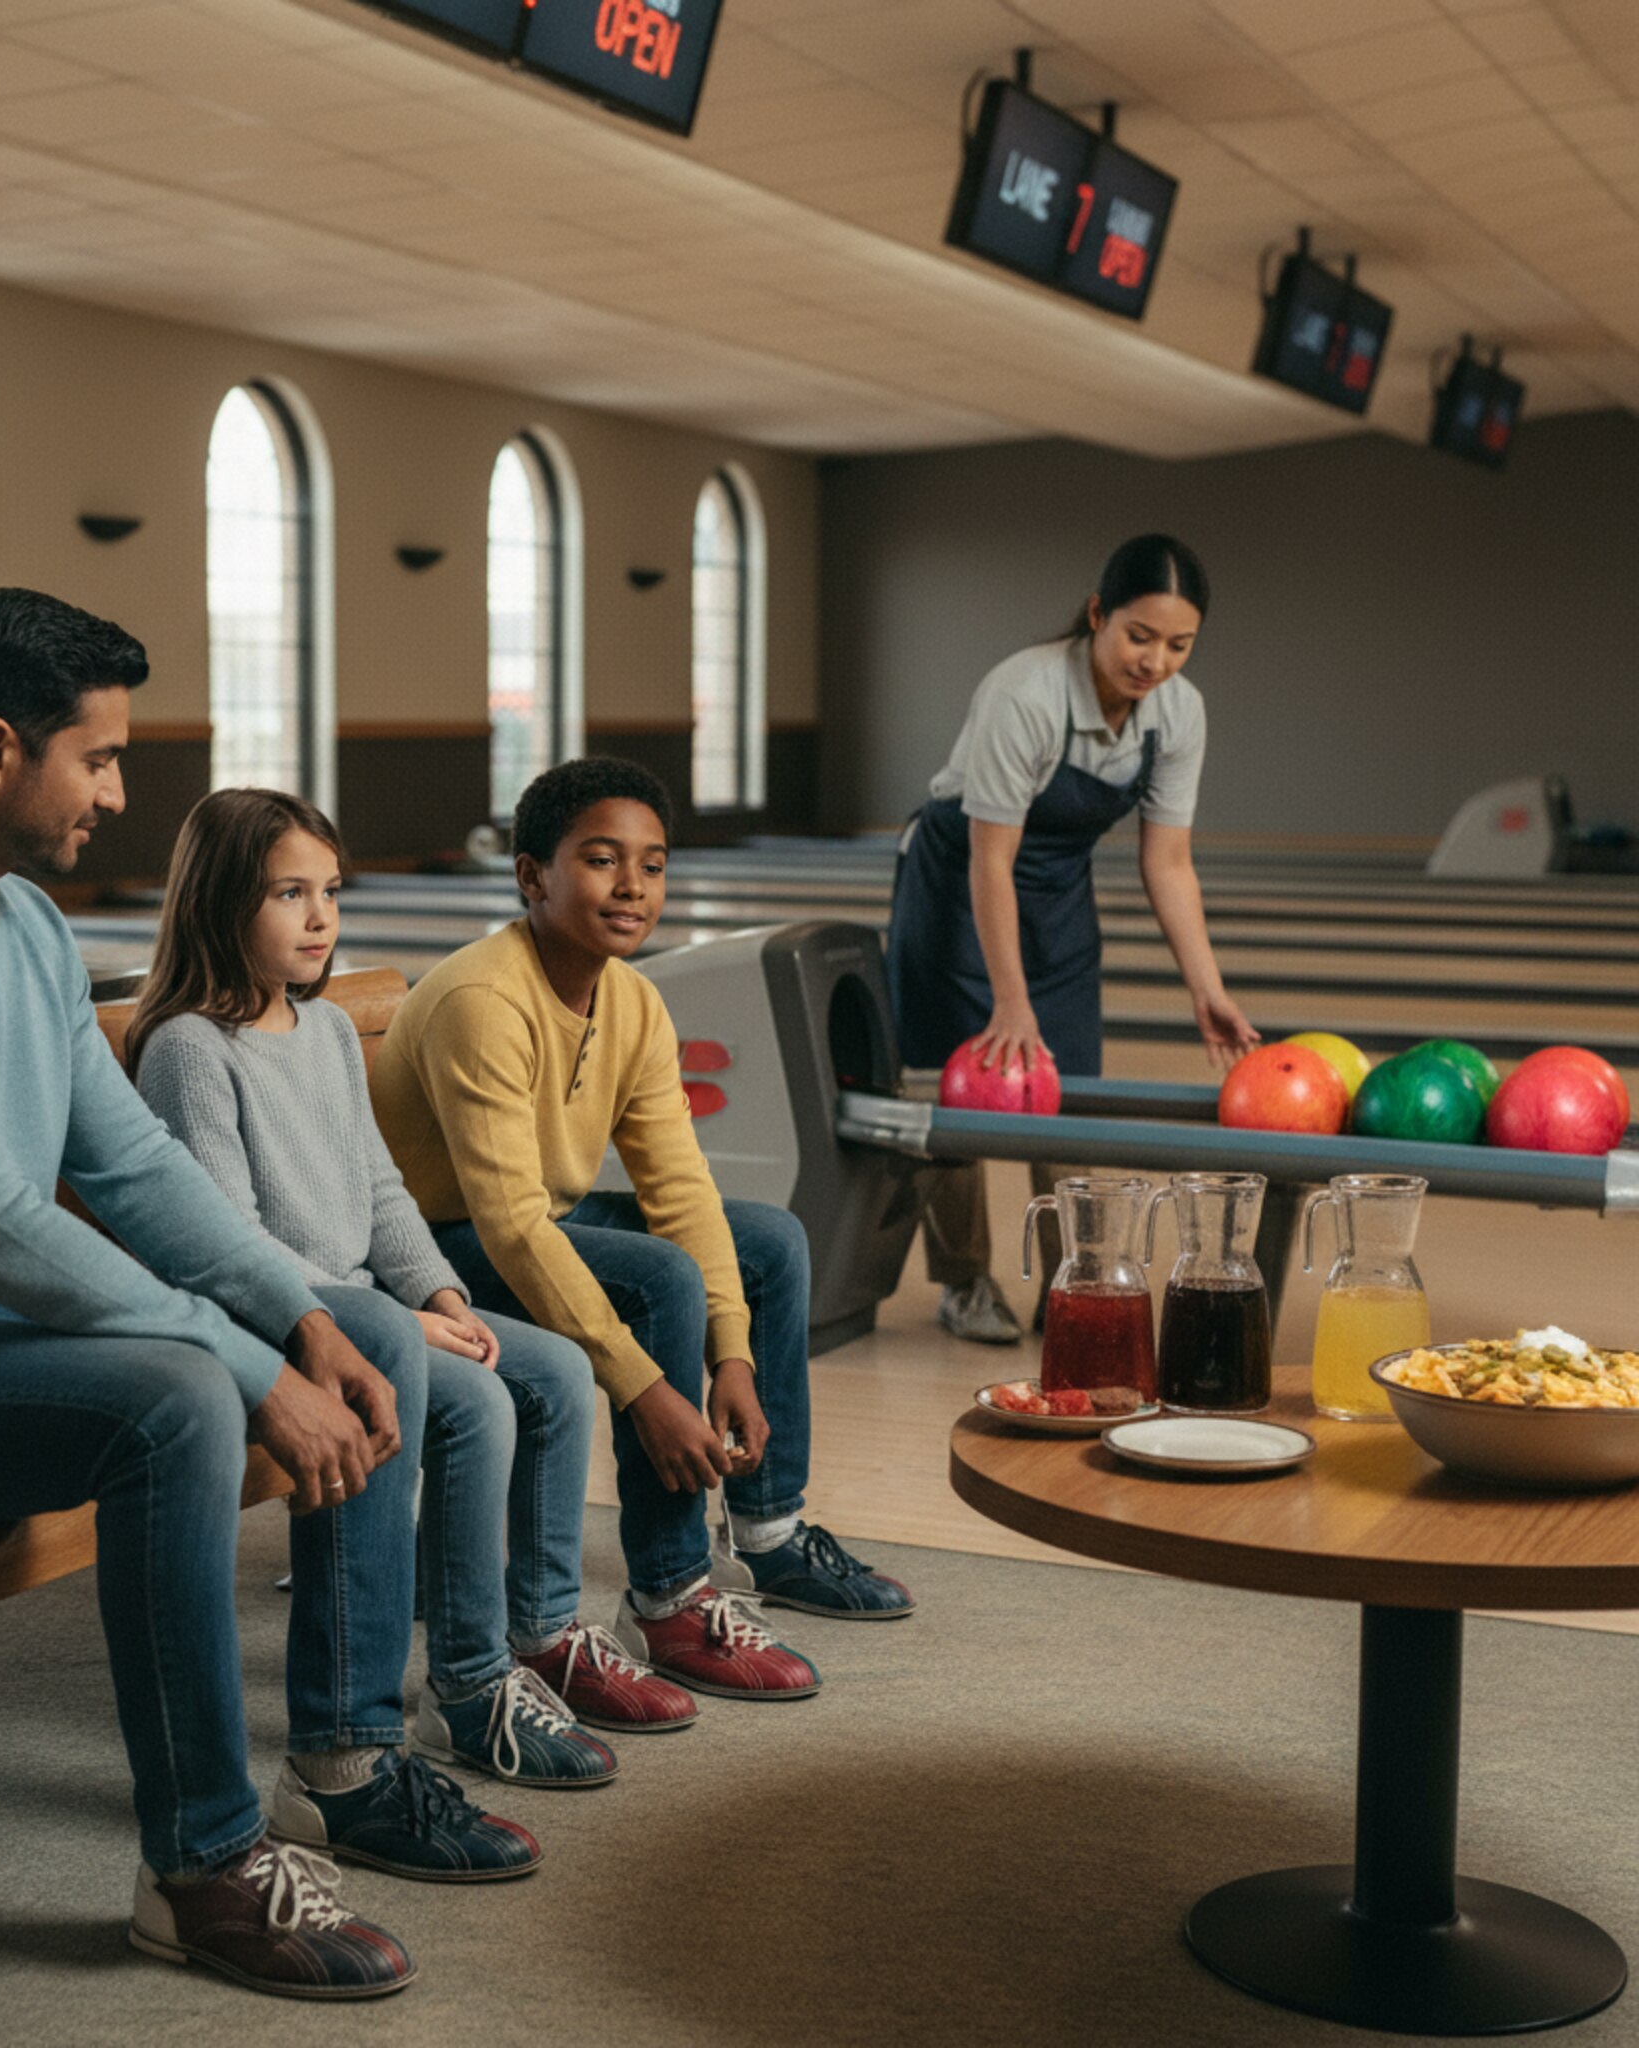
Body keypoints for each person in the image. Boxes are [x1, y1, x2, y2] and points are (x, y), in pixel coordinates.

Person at [0, 588, 522, 2005]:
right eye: (101, 758)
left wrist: (304, 1316)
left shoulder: (16, 923)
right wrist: (256, 1369)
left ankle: (348, 1758)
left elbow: (126, 1164)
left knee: (370, 1326)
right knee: (180, 1403)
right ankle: (197, 1869)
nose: (121, 795)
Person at [131, 787, 688, 1770]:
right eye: (287, 893)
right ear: (221, 901)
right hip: (275, 1317)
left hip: (373, 1305)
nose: (319, 917)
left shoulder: (330, 1031)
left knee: (554, 1371)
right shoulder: (188, 1048)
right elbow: (227, 1240)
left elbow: (385, 1194)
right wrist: (392, 1320)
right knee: (474, 1402)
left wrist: (437, 1294)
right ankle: (467, 1683)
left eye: (330, 891)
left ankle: (540, 1634)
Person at [372, 758, 914, 1721]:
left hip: (531, 1226)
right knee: (658, 1279)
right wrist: (650, 1390)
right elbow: (509, 1226)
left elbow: (679, 1185)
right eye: (602, 860)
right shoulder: (481, 1002)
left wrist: (734, 1356)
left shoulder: (631, 1001)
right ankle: (669, 1597)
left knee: (767, 1240)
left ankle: (768, 1530)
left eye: (653, 865)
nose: (632, 887)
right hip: (429, 1257)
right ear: (533, 876)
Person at [886, 534, 1262, 1344]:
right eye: (1138, 635)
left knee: (1068, 1094)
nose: (1154, 660)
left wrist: (1208, 989)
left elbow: (1168, 862)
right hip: (959, 886)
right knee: (965, 1090)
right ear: (1097, 615)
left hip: (1056, 894)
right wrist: (1009, 1004)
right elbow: (992, 858)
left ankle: (1076, 1289)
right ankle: (964, 1282)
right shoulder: (1025, 692)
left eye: (1178, 644)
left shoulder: (1178, 713)